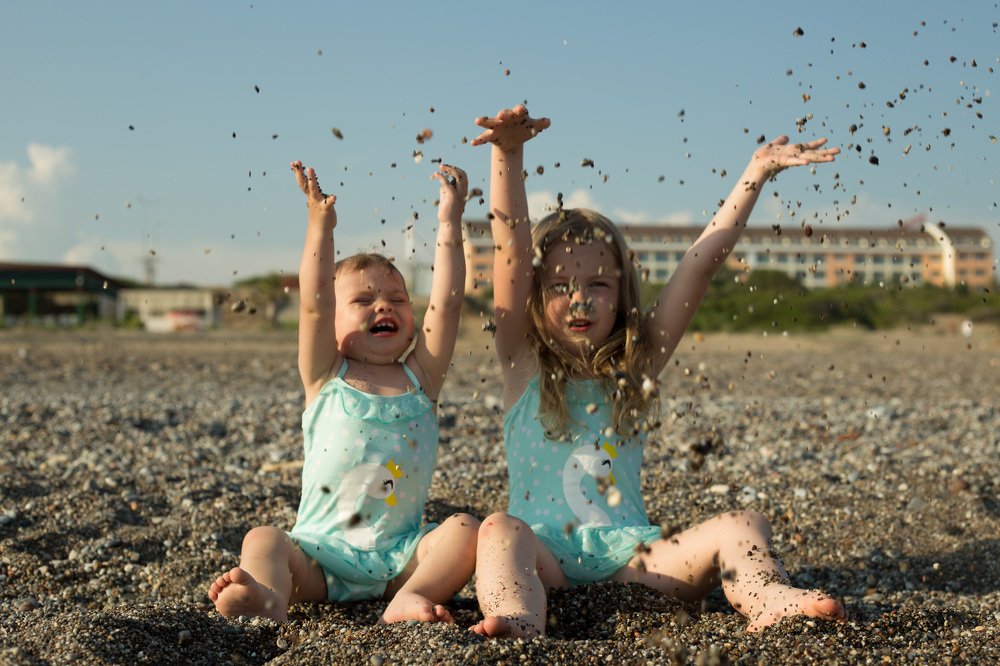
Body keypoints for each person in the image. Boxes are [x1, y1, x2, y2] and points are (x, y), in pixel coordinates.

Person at [469, 105, 846, 638]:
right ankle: (516, 617)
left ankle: (768, 596)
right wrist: (508, 154)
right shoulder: (521, 362)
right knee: (498, 530)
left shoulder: (636, 363)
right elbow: (510, 252)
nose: (579, 299)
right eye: (559, 286)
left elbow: (699, 263)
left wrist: (754, 173)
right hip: (543, 560)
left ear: (622, 295)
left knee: (743, 524)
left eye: (597, 284)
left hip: (633, 561)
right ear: (536, 296)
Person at [208, 161, 479, 624]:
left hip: (400, 561)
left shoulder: (422, 379)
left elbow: (448, 304)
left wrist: (450, 223)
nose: (383, 306)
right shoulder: (324, 374)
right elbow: (313, 304)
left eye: (397, 300)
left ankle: (410, 598)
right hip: (318, 559)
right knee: (262, 539)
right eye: (363, 301)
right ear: (334, 322)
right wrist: (320, 225)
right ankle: (269, 599)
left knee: (466, 530)